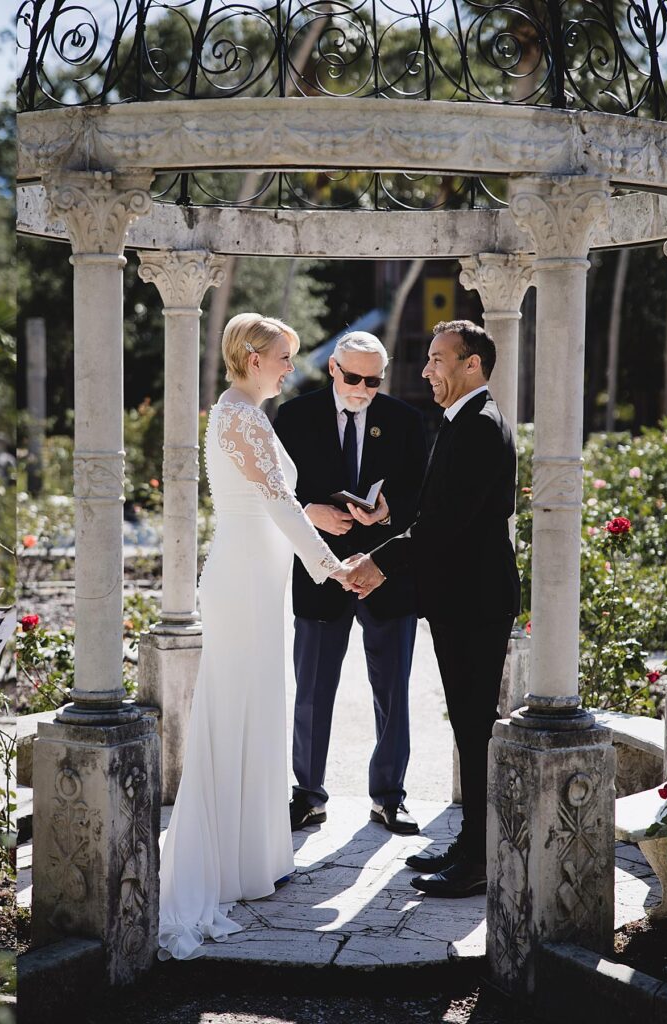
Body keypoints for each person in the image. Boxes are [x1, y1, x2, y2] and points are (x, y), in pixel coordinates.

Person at [158, 313, 359, 960]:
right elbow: (272, 505)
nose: (288, 367)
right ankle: (218, 867)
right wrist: (331, 565)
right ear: (247, 356)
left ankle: (250, 862)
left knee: (257, 712)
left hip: (259, 584)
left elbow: (278, 501)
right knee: (232, 713)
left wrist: (320, 518)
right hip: (240, 585)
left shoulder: (248, 415)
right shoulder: (238, 417)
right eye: (281, 355)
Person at [344, 320, 520, 898]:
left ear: (472, 365)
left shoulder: (479, 427)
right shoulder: (462, 421)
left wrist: (379, 559)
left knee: (474, 728)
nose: (426, 371)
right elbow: (437, 511)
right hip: (460, 601)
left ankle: (478, 861)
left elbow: (445, 526)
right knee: (469, 727)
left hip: (476, 603)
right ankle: (472, 843)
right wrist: (390, 525)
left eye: (439, 360)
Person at [274, 332, 426, 836]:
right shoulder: (293, 416)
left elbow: (420, 497)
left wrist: (387, 513)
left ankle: (389, 798)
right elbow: (273, 490)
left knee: (393, 692)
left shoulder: (405, 420)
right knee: (313, 690)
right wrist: (310, 512)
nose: (363, 389)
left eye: (374, 380)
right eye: (355, 377)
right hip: (319, 571)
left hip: (387, 572)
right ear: (333, 369)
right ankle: (308, 795)